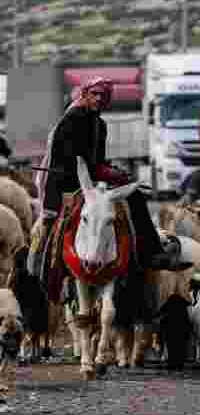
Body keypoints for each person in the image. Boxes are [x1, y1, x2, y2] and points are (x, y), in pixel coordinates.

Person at [35, 77, 191, 272]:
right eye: (95, 94)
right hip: (68, 183)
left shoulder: (100, 124)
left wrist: (114, 171)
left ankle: (150, 253)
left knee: (135, 196)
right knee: (131, 197)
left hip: (91, 181)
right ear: (85, 94)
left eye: (103, 95)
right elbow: (75, 160)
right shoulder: (72, 119)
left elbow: (96, 160)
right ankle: (152, 253)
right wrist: (108, 173)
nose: (99, 98)